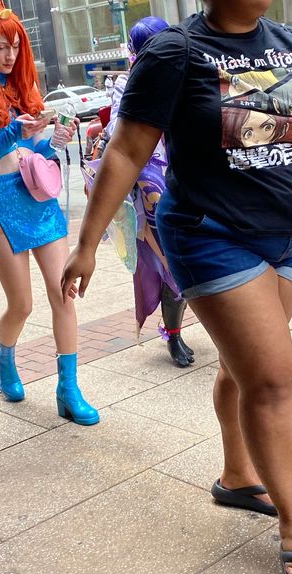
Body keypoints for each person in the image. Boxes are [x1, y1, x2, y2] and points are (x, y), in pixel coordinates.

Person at [62, 1, 292, 574]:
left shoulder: (290, 43)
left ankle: (236, 476)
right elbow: (126, 149)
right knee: (272, 380)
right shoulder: (174, 51)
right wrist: (88, 243)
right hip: (209, 233)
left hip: (284, 234)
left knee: (242, 365)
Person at [0, 1, 99, 426]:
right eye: (1, 46)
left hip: (38, 199)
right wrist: (12, 133)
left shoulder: (23, 90)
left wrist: (55, 140)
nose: (10, 55)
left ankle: (68, 388)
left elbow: (32, 153)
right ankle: (6, 358)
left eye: (15, 46)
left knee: (64, 294)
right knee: (21, 305)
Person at [102, 16, 194, 367]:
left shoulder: (187, 75)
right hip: (151, 192)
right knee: (169, 266)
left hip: (188, 183)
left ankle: (179, 328)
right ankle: (173, 335)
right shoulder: (127, 84)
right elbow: (121, 141)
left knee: (190, 265)